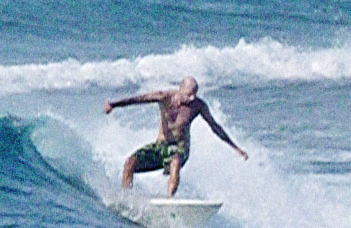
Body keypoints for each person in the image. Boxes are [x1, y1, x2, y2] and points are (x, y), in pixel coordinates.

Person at [103, 76, 248, 197]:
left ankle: (169, 202)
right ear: (180, 89)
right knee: (130, 162)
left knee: (175, 161)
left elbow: (215, 127)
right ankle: (126, 197)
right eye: (188, 94)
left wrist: (235, 148)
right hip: (161, 146)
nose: (192, 98)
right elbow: (139, 99)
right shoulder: (164, 97)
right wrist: (114, 104)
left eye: (194, 94)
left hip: (180, 148)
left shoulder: (199, 106)